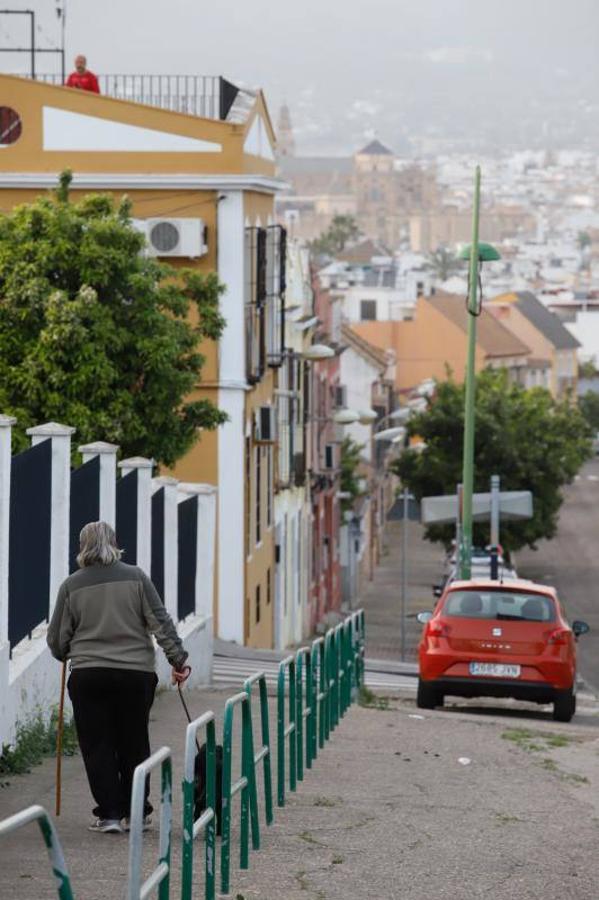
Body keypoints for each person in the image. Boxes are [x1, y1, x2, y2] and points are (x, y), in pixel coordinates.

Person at [47, 521, 190, 834]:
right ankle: (137, 812)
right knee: (133, 740)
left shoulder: (72, 585)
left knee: (97, 744)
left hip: (89, 676)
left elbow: (58, 639)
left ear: (82, 546)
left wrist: (67, 651)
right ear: (114, 543)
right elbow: (159, 622)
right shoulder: (136, 577)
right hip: (135, 675)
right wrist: (177, 660)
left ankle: (110, 814)